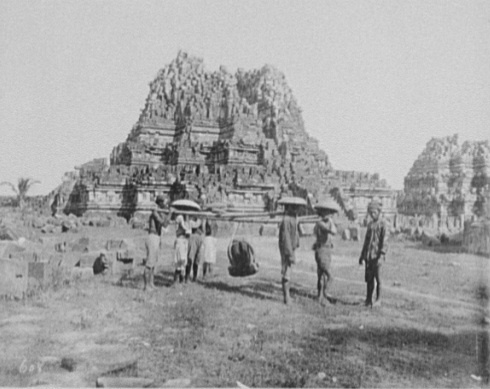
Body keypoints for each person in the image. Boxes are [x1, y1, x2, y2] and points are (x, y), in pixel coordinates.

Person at [359, 200, 388, 307]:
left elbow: (385, 241)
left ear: (379, 212)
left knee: (378, 278)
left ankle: (378, 299)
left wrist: (382, 255)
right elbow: (366, 241)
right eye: (370, 212)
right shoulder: (370, 225)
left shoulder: (383, 224)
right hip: (369, 256)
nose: (372, 214)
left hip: (377, 256)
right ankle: (368, 299)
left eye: (374, 212)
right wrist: (362, 255)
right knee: (369, 279)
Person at [313, 201, 338, 304]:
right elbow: (333, 231)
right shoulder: (320, 223)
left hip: (326, 250)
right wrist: (331, 222)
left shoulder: (325, 222)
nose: (328, 215)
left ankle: (320, 296)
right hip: (322, 250)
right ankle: (325, 294)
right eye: (326, 212)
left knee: (322, 275)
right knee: (329, 275)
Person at [144, 195, 170, 291]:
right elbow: (163, 223)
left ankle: (151, 283)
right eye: (164, 202)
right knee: (149, 263)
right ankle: (146, 285)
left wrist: (168, 214)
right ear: (160, 202)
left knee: (153, 263)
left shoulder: (161, 212)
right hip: (152, 237)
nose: (165, 204)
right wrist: (170, 214)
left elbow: (166, 224)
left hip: (157, 237)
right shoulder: (155, 211)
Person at [278, 202, 301, 304]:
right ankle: (286, 297)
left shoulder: (293, 218)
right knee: (286, 272)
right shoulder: (286, 220)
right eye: (294, 207)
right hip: (287, 249)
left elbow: (295, 234)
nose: (296, 209)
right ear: (289, 207)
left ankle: (287, 296)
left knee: (289, 271)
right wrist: (290, 253)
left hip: (291, 247)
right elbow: (286, 237)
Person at [173, 213, 189, 284]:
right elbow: (184, 227)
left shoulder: (186, 219)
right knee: (179, 260)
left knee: (183, 261)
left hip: (183, 241)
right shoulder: (180, 217)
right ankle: (176, 281)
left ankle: (181, 280)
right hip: (180, 241)